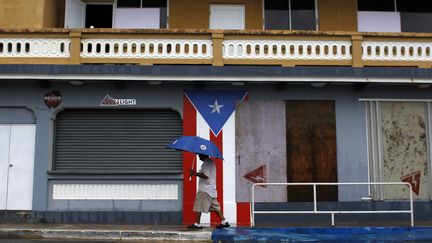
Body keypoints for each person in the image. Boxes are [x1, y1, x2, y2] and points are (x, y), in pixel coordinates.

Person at [187, 153, 230, 229]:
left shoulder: (207, 163)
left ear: (204, 155)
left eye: (199, 155)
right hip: (211, 189)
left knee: (198, 205)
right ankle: (224, 222)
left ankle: (197, 224)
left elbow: (206, 175)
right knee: (215, 207)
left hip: (205, 189)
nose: (198, 156)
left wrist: (194, 173)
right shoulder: (210, 162)